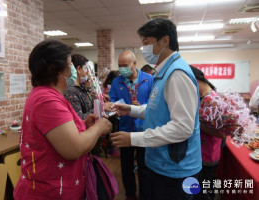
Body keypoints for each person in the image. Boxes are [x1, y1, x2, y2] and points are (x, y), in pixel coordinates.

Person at [110, 18, 202, 200]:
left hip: (176, 170)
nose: (144, 49)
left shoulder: (177, 74)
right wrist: (131, 110)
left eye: (146, 43)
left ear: (165, 41)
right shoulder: (163, 73)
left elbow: (182, 127)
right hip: (161, 163)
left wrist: (133, 138)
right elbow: (158, 110)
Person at [13, 40, 112, 200]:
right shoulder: (47, 100)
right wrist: (99, 127)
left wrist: (84, 125)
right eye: (69, 64)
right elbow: (73, 148)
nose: (73, 69)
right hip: (47, 193)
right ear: (57, 70)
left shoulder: (51, 96)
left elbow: (61, 132)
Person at [109, 50, 153, 200]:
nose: (122, 69)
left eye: (125, 65)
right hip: (125, 130)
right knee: (126, 166)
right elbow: (114, 101)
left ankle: (145, 194)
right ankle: (130, 194)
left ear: (134, 64)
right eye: (120, 66)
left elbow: (155, 105)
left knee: (144, 166)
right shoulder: (117, 81)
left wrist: (140, 107)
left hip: (144, 130)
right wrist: (118, 108)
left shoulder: (149, 79)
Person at [190, 66, 222, 200]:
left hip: (207, 156)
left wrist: (195, 121)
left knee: (199, 193)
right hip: (199, 154)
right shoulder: (202, 97)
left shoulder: (213, 100)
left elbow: (221, 133)